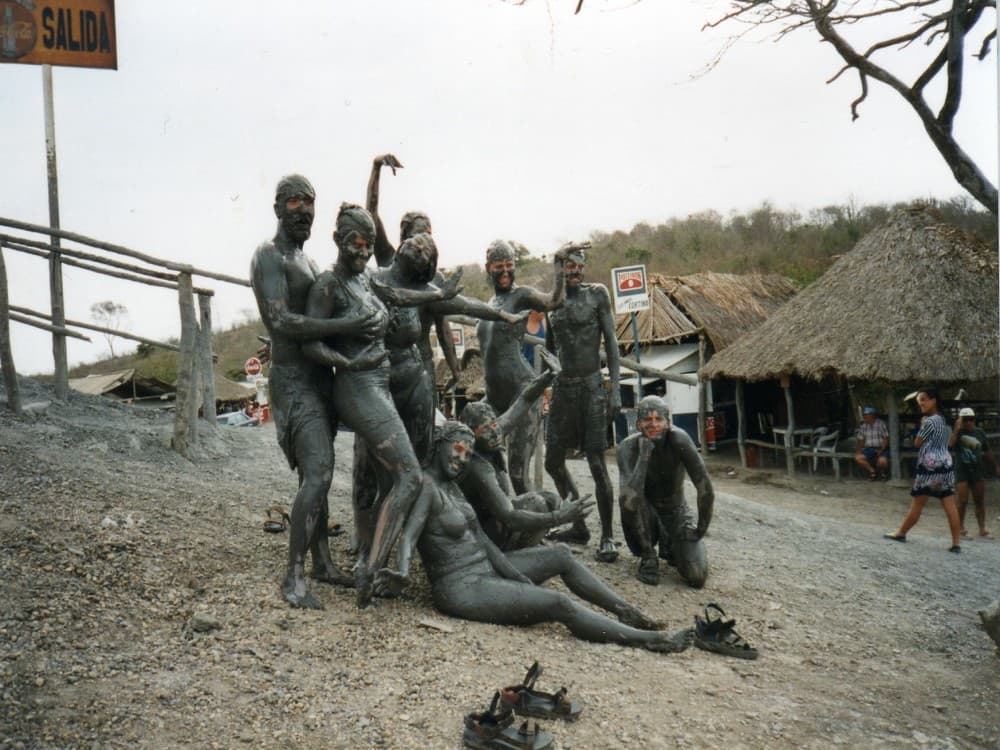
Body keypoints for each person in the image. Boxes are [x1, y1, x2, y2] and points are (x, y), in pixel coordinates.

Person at [373, 422, 694, 654]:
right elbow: (408, 536)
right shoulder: (427, 486)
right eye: (456, 451)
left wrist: (517, 578)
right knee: (558, 603)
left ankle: (624, 610)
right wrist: (400, 570)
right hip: (460, 587)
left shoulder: (453, 487)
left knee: (562, 555)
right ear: (440, 446)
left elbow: (484, 543)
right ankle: (647, 640)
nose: (461, 460)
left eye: (467, 455)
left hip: (486, 570)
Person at [302, 203, 460, 607]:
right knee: (399, 474)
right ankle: (369, 567)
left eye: (367, 244)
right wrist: (347, 357)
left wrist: (448, 295)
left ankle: (373, 568)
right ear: (338, 240)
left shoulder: (367, 282)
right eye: (355, 242)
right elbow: (311, 339)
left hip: (386, 385)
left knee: (405, 472)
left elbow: (412, 298)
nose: (362, 249)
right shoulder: (332, 283)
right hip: (360, 388)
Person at [250, 175, 385, 610]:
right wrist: (344, 326)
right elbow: (281, 322)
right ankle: (293, 576)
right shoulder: (268, 256)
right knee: (319, 474)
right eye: (294, 201)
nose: (303, 210)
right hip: (293, 382)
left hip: (321, 379)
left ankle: (323, 561)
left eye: (309, 203)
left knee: (320, 472)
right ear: (276, 208)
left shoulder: (308, 262)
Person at [458, 348, 593, 550]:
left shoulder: (492, 434)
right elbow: (510, 517)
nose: (495, 433)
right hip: (480, 535)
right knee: (537, 503)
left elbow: (524, 400)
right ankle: (517, 555)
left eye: (495, 425)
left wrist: (549, 375)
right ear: (471, 433)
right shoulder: (477, 464)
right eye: (485, 430)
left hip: (496, 519)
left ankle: (527, 547)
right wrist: (559, 518)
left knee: (551, 498)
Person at [543, 245, 622, 562]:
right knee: (552, 461)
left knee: (597, 464)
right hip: (564, 389)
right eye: (567, 266)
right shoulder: (553, 302)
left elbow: (613, 345)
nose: (574, 271)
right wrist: (545, 387)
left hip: (591, 388)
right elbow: (550, 351)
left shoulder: (597, 294)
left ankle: (607, 536)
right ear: (560, 269)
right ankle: (578, 524)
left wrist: (614, 388)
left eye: (578, 266)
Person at [477, 239, 572, 495]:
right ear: (488, 267)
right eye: (499, 266)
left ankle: (533, 531)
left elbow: (554, 301)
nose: (506, 271)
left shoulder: (521, 296)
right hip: (494, 397)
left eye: (510, 265)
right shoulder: (490, 303)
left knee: (518, 474)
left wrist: (559, 266)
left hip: (522, 393)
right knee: (485, 465)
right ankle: (506, 523)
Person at [617, 396, 715, 588]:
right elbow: (628, 499)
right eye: (647, 420)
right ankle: (648, 555)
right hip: (646, 514)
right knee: (629, 500)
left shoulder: (679, 440)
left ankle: (671, 544)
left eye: (658, 419)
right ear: (638, 424)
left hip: (676, 510)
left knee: (696, 577)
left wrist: (700, 529)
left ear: (668, 422)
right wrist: (645, 455)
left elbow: (705, 488)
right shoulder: (628, 447)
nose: (653, 425)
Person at [884, 387, 962, 552]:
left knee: (917, 503)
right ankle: (956, 543)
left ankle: (901, 532)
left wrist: (921, 426)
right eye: (920, 402)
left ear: (933, 400)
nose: (921, 404)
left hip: (929, 466)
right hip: (946, 465)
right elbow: (948, 443)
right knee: (950, 505)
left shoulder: (930, 421)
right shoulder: (945, 420)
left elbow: (917, 443)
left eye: (924, 400)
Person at [949, 407, 998, 538]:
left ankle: (982, 528)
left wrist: (996, 466)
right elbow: (949, 445)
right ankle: (960, 527)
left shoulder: (979, 432)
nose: (969, 422)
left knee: (979, 500)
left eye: (971, 419)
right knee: (962, 501)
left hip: (977, 470)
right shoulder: (957, 433)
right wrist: (957, 428)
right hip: (962, 471)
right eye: (966, 420)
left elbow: (987, 450)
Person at [854, 406, 890, 481]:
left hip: (881, 447)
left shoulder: (881, 424)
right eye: (864, 415)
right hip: (869, 449)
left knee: (882, 461)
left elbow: (886, 439)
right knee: (858, 458)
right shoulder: (863, 426)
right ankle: (872, 471)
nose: (865, 417)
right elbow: (860, 439)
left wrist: (881, 450)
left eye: (867, 415)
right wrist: (858, 450)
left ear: (873, 415)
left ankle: (883, 473)